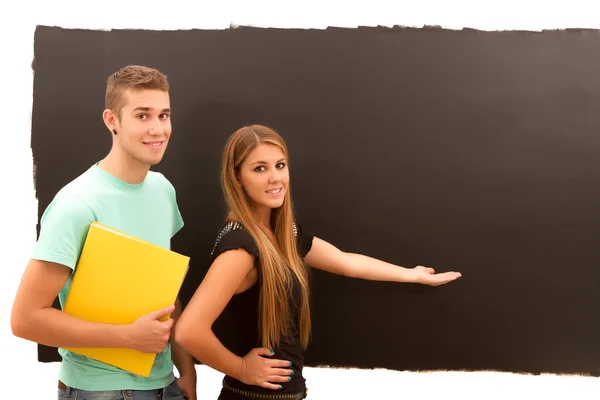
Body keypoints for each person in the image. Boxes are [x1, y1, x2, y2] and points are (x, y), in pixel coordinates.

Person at [173, 124, 462, 399]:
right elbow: (189, 330)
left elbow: (347, 262)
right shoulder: (241, 248)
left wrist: (413, 274)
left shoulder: (284, 234)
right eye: (260, 168)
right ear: (237, 178)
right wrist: (242, 369)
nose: (275, 177)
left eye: (280, 165)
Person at [10, 65, 197, 400]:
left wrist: (187, 370)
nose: (158, 128)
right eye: (142, 116)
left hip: (165, 385)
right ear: (112, 120)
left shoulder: (162, 190)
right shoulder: (76, 204)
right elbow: (25, 319)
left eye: (164, 115)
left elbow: (163, 289)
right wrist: (128, 337)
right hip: (101, 392)